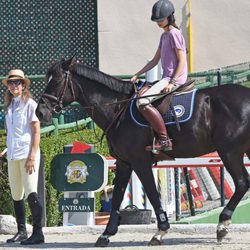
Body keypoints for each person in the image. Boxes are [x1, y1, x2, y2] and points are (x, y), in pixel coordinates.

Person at [131, 0, 188, 152]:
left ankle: (164, 140)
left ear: (170, 17)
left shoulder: (175, 34)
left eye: (161, 19)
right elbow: (155, 60)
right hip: (166, 78)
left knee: (142, 101)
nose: (158, 22)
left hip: (173, 79)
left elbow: (182, 60)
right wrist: (138, 73)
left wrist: (172, 82)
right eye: (156, 20)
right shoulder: (164, 36)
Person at [2, 69, 44, 245]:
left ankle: (38, 233)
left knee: (31, 192)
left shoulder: (31, 104)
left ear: (23, 85)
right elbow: (14, 133)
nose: (13, 86)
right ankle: (21, 232)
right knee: (16, 194)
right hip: (13, 154)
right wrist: (6, 148)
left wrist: (32, 156)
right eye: (10, 83)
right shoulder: (9, 106)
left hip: (28, 154)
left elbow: (36, 131)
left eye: (17, 82)